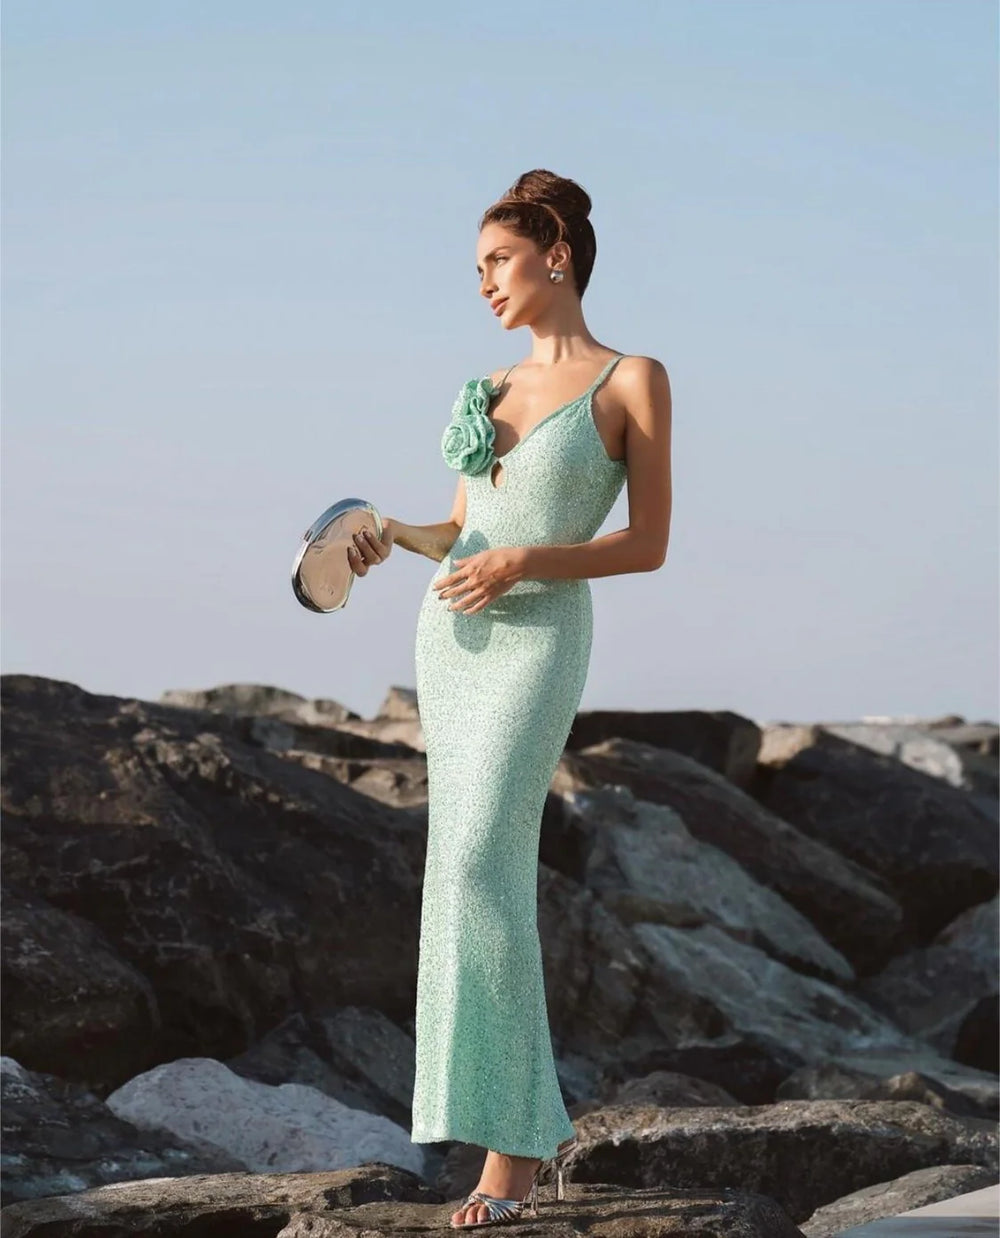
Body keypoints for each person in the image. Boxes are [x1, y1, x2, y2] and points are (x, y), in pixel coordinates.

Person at [345, 168, 672, 1229]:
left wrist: (527, 556)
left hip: (537, 639)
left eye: (496, 259)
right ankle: (504, 1130)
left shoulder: (633, 379)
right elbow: (459, 530)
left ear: (557, 255)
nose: (483, 281)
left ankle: (517, 1149)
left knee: (485, 858)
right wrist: (393, 532)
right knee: (458, 873)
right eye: (477, 266)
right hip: (454, 635)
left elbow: (649, 544)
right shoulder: (482, 388)